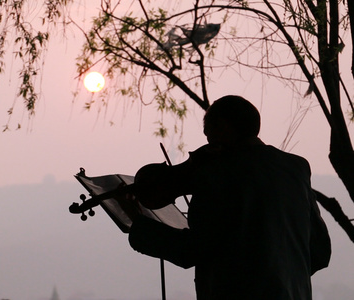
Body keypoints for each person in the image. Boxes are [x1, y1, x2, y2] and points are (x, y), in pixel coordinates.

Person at [128, 95, 331, 300]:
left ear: (224, 127)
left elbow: (191, 250)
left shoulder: (219, 172)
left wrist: (139, 225)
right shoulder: (296, 167)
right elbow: (321, 251)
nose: (208, 144)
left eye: (209, 135)